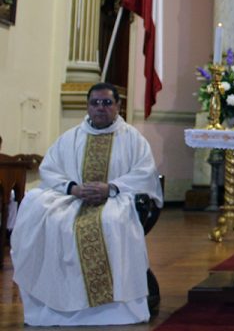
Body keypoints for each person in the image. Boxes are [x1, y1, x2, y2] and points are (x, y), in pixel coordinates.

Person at [11, 83, 163, 326]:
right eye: (95, 103)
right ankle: (59, 305)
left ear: (118, 106)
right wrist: (72, 188)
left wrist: (110, 187)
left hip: (115, 198)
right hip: (73, 199)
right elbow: (49, 170)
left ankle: (114, 310)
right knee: (51, 220)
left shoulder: (133, 139)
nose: (100, 108)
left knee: (112, 221)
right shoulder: (70, 138)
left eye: (107, 103)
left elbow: (145, 173)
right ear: (88, 106)